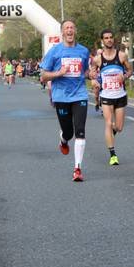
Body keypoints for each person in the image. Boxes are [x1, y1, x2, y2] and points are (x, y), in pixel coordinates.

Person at [40, 19, 91, 182]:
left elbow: (86, 71)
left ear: (75, 31)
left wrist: (93, 76)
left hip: (80, 95)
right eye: (66, 28)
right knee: (68, 132)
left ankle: (77, 168)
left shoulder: (83, 51)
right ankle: (63, 139)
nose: (69, 30)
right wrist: (59, 73)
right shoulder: (54, 51)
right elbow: (43, 76)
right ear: (62, 32)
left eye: (72, 28)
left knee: (80, 130)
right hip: (61, 96)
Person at [91, 29, 132, 166]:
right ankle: (113, 155)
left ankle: (112, 133)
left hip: (120, 95)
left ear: (113, 39)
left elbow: (130, 70)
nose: (109, 40)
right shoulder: (98, 59)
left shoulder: (121, 56)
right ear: (102, 41)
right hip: (106, 95)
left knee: (119, 127)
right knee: (108, 123)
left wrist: (125, 76)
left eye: (110, 37)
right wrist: (94, 81)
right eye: (106, 38)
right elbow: (92, 73)